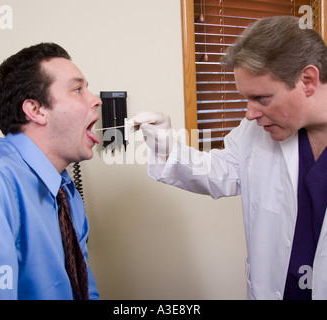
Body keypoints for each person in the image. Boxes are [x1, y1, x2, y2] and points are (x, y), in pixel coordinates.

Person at [130, 16, 327, 300]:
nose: (249, 113)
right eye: (246, 99)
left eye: (261, 98)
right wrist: (167, 147)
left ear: (307, 80)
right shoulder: (258, 129)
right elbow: (222, 170)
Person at [0, 43, 101, 299]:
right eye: (77, 89)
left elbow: (84, 285)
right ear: (36, 110)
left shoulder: (66, 191)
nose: (96, 100)